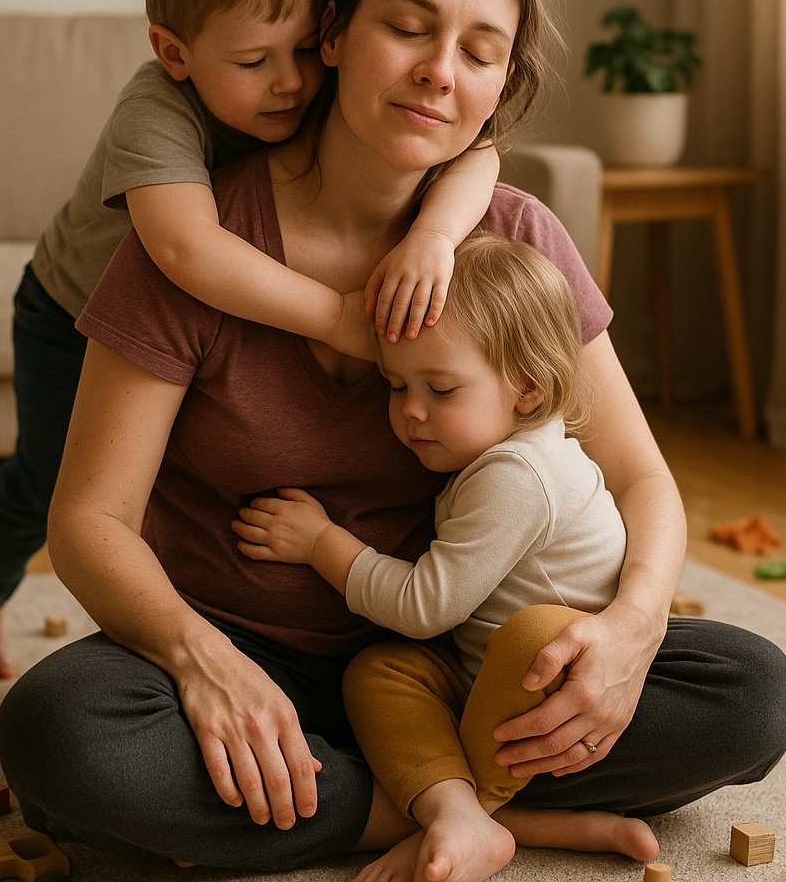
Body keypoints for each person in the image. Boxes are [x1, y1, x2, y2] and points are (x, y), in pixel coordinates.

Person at [0, 0, 786, 876]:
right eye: (407, 28)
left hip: (462, 660)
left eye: (479, 50)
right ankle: (433, 805)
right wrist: (201, 663)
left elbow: (642, 480)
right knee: (62, 734)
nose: (436, 72)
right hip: (247, 645)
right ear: (331, 32)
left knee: (750, 692)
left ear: (502, 81)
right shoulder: (194, 240)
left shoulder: (513, 236)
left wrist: (632, 629)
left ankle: (381, 791)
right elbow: (89, 520)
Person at [0, 0, 499, 681]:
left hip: (192, 333)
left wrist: (437, 238)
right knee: (47, 474)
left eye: (306, 48)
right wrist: (339, 317)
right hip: (71, 311)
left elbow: (479, 148)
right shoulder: (157, 111)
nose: (290, 82)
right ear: (174, 53)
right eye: (253, 60)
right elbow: (185, 252)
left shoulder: (315, 87)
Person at [233, 231, 658, 880]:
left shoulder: (517, 474)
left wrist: (320, 543)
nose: (411, 414)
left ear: (529, 388)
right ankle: (481, 816)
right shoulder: (501, 451)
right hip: (479, 678)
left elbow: (424, 607)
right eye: (397, 387)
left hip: (551, 687)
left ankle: (466, 810)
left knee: (541, 636)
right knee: (380, 672)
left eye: (441, 389)